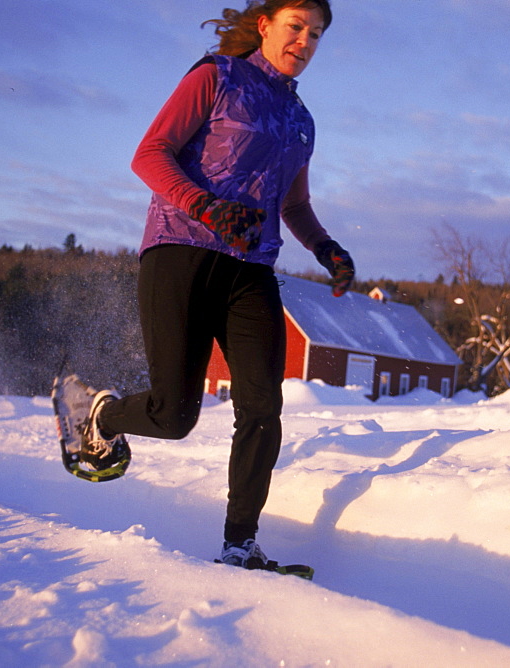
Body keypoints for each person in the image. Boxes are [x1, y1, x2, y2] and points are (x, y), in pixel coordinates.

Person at [64, 0, 353, 570]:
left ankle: (239, 545)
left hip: (251, 270)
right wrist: (206, 206)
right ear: (265, 24)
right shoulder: (216, 76)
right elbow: (149, 155)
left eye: (316, 34)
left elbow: (293, 203)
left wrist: (325, 248)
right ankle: (97, 415)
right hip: (181, 252)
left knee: (262, 407)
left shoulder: (302, 120)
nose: (305, 42)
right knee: (173, 417)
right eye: (296, 27)